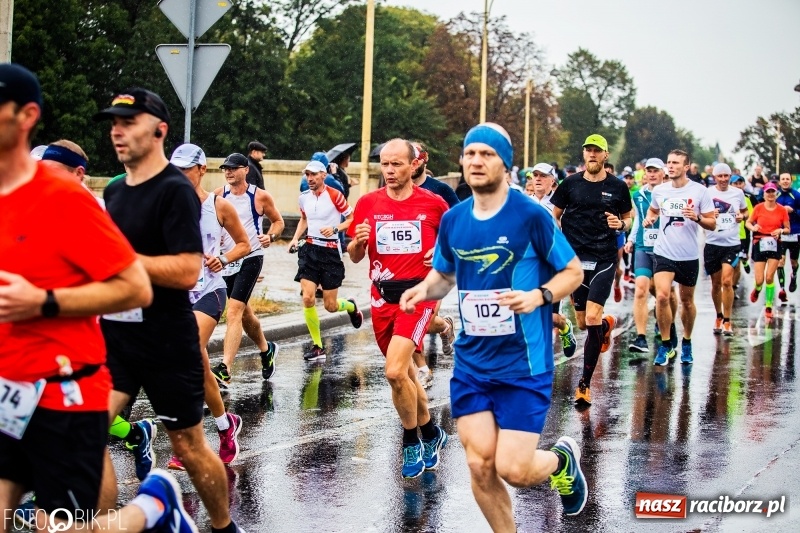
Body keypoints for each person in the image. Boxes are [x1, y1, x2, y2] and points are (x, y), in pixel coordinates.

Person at [0, 64, 198, 533]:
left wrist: (43, 302)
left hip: (63, 388)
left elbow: (134, 286)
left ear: (26, 116)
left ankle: (152, 506)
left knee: (66, 527)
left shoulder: (63, 198)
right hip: (9, 386)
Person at [399, 123, 587, 526]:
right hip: (473, 365)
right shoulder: (454, 220)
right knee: (480, 465)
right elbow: (444, 276)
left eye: (487, 154)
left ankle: (561, 462)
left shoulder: (532, 216)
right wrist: (423, 290)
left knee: (513, 469)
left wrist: (539, 296)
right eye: (470, 154)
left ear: (505, 163)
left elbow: (572, 272)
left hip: (524, 364)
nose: (476, 161)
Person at [95, 87, 244, 533]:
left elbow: (184, 270)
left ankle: (223, 526)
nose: (117, 133)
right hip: (117, 337)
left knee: (190, 445)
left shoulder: (176, 191)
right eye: (114, 124)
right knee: (85, 435)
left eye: (129, 123)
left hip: (166, 339)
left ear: (159, 130)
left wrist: (118, 260)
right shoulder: (116, 190)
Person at [346, 138, 449, 479]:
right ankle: (432, 432)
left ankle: (410, 441)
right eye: (385, 164)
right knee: (403, 374)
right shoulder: (367, 204)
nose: (389, 171)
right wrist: (358, 243)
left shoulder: (434, 205)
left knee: (393, 371)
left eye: (397, 164)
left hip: (419, 295)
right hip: (381, 297)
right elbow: (356, 255)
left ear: (414, 165)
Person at [166, 143, 251, 470]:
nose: (179, 177)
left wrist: (223, 259)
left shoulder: (218, 205)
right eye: (175, 170)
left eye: (186, 170)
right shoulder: (167, 206)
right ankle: (225, 425)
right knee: (200, 370)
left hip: (209, 291)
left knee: (184, 356)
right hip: (177, 295)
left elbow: (245, 243)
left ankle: (188, 442)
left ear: (201, 170)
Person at [550, 134, 633, 406]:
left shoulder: (618, 187)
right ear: (584, 155)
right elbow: (555, 215)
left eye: (597, 151)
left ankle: (584, 385)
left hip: (603, 258)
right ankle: (607, 326)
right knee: (584, 322)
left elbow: (629, 219)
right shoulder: (569, 184)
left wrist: (620, 226)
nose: (592, 155)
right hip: (574, 261)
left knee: (593, 317)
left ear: (605, 156)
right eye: (588, 151)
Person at [212, 152, 285, 385]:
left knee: (233, 310)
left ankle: (225, 368)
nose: (228, 172)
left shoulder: (260, 197)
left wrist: (270, 236)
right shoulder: (217, 196)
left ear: (246, 170)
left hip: (251, 256)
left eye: (233, 168)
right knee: (244, 313)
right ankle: (266, 349)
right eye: (225, 168)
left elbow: (279, 222)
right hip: (226, 260)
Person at [643, 150, 715, 366]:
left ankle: (687, 341)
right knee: (662, 296)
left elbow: (712, 223)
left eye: (675, 163)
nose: (670, 166)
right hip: (664, 251)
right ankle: (666, 344)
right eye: (668, 162)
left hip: (689, 255)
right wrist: (649, 220)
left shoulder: (700, 192)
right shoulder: (660, 191)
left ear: (686, 167)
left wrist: (699, 217)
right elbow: (653, 211)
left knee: (686, 301)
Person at [288, 159, 362, 360]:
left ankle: (351, 306)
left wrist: (335, 229)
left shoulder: (335, 195)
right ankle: (318, 346)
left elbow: (351, 218)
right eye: (307, 175)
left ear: (323, 175)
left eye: (313, 175)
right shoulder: (304, 198)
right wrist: (295, 239)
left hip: (330, 253)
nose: (310, 178)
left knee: (330, 305)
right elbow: (304, 219)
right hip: (310, 250)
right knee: (308, 297)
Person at [409, 141, 457, 387]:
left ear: (423, 160)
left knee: (424, 321)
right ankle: (423, 369)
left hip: (436, 268)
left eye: (416, 158)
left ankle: (445, 325)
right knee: (408, 318)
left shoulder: (440, 190)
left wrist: (439, 248)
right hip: (403, 268)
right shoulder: (395, 190)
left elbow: (459, 225)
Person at [625, 158, 677, 353]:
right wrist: (630, 240)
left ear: (663, 173)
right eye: (649, 171)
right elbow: (638, 219)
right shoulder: (638, 195)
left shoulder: (672, 194)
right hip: (643, 247)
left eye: (656, 171)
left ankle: (668, 326)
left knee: (666, 293)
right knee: (641, 290)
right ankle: (640, 338)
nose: (652, 174)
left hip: (666, 250)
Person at [526, 163, 578, 358]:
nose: (538, 179)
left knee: (551, 318)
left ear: (552, 181)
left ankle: (565, 327)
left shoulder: (560, 206)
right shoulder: (524, 203)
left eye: (543, 176)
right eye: (535, 175)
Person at [704, 163, 748, 336]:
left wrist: (741, 217)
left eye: (726, 176)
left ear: (730, 176)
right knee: (715, 284)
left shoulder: (737, 193)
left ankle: (728, 321)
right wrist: (710, 215)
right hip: (712, 243)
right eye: (720, 176)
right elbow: (699, 214)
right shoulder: (707, 193)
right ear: (714, 177)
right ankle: (719, 316)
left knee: (727, 281)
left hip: (731, 244)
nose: (723, 179)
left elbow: (745, 213)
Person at [746, 182, 790, 320]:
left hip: (775, 244)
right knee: (759, 280)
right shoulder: (758, 208)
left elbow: (788, 229)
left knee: (769, 277)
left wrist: (781, 230)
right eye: (768, 192)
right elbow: (748, 222)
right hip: (759, 243)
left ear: (776, 193)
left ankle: (769, 306)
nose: (770, 194)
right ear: (764, 194)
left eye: (773, 192)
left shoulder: (782, 210)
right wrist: (753, 228)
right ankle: (758, 289)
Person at [775, 172, 800, 298]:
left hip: (795, 233)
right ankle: (782, 289)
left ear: (791, 181)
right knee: (780, 262)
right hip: (780, 233)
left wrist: (793, 211)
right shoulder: (776, 195)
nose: (785, 181)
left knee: (794, 262)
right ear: (779, 182)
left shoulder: (796, 195)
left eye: (787, 179)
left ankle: (794, 275)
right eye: (783, 179)